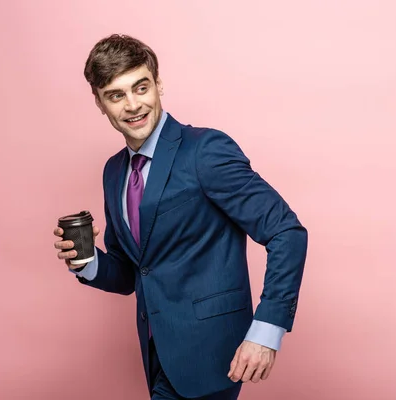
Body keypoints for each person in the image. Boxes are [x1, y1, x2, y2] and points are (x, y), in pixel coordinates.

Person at [53, 34, 308, 400]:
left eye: (141, 88)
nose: (133, 105)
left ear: (158, 84)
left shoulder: (205, 151)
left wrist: (266, 329)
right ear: (99, 103)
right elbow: (132, 273)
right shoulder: (114, 172)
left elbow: (287, 231)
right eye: (116, 95)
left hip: (211, 354)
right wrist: (89, 261)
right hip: (158, 356)